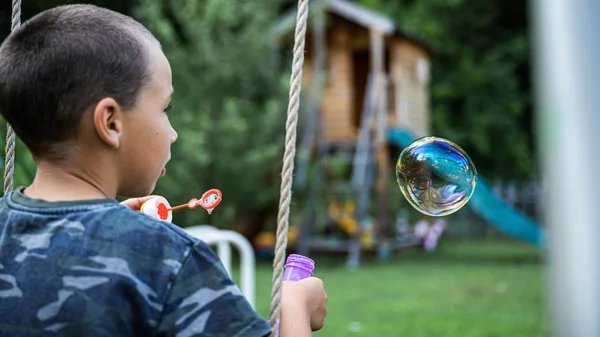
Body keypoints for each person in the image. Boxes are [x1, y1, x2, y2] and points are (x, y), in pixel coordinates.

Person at [0, 4, 327, 337]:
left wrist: (110, 226)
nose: (173, 133)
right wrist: (295, 305)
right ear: (110, 122)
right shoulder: (169, 258)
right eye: (164, 108)